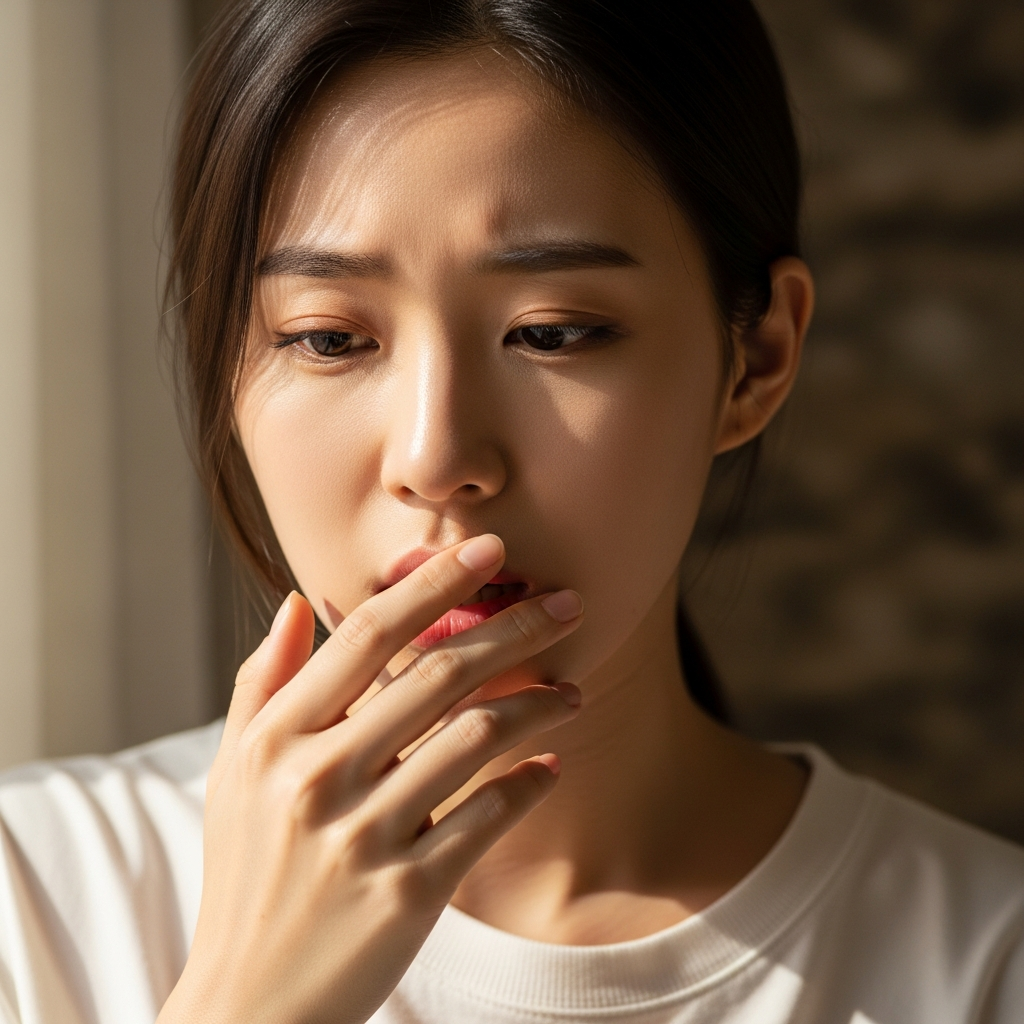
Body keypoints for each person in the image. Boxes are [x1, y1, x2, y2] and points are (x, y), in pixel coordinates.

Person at [1, 1, 1021, 1021]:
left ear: (753, 359)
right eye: (326, 339)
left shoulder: (982, 964)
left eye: (553, 333)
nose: (436, 457)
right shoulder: (37, 899)